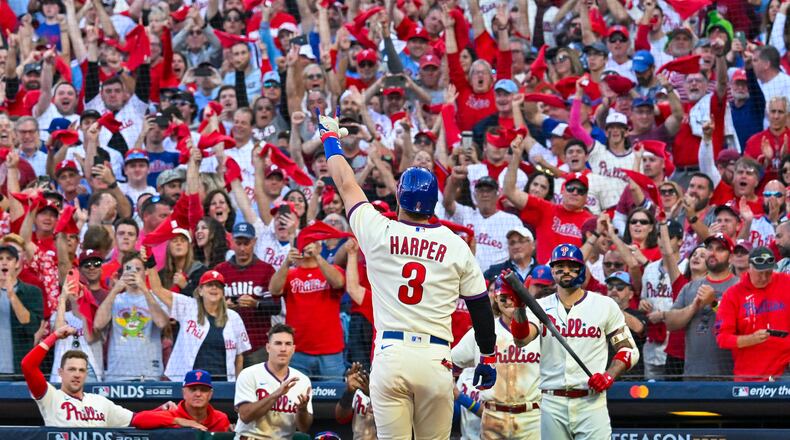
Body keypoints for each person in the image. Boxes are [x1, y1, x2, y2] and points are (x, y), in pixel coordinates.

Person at [319, 111, 497, 438]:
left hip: (391, 357)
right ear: (433, 204)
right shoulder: (454, 244)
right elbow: (481, 308)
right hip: (435, 359)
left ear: (399, 196)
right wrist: (487, 355)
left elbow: (345, 183)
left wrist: (330, 141)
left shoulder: (378, 229)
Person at [510, 244, 640, 439]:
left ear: (581, 269)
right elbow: (521, 339)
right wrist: (520, 309)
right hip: (551, 402)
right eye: (560, 266)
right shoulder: (540, 306)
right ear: (552, 270)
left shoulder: (604, 305)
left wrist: (609, 376)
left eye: (572, 266)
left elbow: (628, 350)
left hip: (591, 401)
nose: (566, 271)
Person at [21, 325, 204, 428]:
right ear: (60, 373)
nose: (77, 374)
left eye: (81, 370)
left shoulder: (100, 402)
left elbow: (136, 419)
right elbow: (28, 366)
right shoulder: (50, 397)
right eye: (71, 369)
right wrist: (54, 336)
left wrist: (167, 415)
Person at [452, 275, 541, 440]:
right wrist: (453, 389)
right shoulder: (482, 331)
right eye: (504, 297)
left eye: (514, 296)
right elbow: (452, 363)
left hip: (531, 417)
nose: (509, 301)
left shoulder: (538, 328)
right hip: (493, 416)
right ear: (495, 298)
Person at [148, 269, 251, 382]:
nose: (214, 288)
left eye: (218, 286)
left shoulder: (234, 318)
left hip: (223, 383)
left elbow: (239, 356)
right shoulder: (187, 307)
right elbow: (157, 289)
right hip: (188, 382)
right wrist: (150, 261)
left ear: (223, 292)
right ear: (200, 291)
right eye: (209, 285)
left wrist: (237, 384)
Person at [665, 233, 739, 379]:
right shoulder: (690, 288)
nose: (713, 253)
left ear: (730, 257)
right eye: (710, 248)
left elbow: (742, 326)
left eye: (720, 249)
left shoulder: (740, 287)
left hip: (728, 377)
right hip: (693, 376)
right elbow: (670, 323)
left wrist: (713, 303)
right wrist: (694, 306)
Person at [716, 246, 790, 381]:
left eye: (768, 272)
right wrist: (751, 339)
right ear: (748, 267)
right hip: (749, 376)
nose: (764, 277)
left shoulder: (786, 283)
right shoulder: (732, 295)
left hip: (784, 372)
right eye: (759, 272)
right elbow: (722, 338)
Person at [93, 252, 170, 381]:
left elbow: (162, 323)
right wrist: (115, 290)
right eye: (128, 269)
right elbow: (98, 324)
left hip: (148, 374)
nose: (133, 273)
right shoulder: (115, 299)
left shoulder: (155, 298)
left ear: (146, 272)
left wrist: (144, 289)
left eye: (138, 269)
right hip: (117, 374)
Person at [234, 324, 313, 439]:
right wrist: (277, 394)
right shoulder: (249, 374)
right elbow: (245, 416)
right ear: (268, 347)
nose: (283, 349)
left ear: (293, 349)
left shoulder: (303, 380)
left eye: (288, 344)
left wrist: (302, 410)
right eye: (278, 343)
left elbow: (304, 428)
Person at [133, 369, 231, 432]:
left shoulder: (220, 419)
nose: (198, 394)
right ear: (184, 393)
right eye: (193, 389)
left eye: (203, 390)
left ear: (210, 394)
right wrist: (179, 421)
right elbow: (138, 419)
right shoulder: (173, 413)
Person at [0, 244, 44, 379]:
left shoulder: (32, 292)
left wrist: (12, 296)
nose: (4, 262)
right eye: (0, 258)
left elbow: (30, 326)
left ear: (17, 263)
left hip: (20, 369)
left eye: (9, 258)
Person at [335, 362, 376, 440]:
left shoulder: (397, 387)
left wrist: (372, 395)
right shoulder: (362, 383)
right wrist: (349, 392)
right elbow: (341, 417)